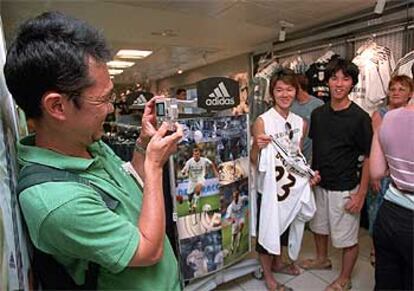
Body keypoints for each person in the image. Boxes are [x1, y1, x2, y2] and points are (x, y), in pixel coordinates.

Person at [4, 12, 183, 290]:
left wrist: (143, 146)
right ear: (57, 107)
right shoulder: (56, 202)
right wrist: (155, 166)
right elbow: (148, 251)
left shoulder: (86, 141)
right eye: (103, 99)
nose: (111, 108)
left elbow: (131, 186)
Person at [300, 58, 373, 291]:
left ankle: (345, 278)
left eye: (345, 78)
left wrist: (361, 194)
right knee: (319, 227)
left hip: (345, 187)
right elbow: (317, 148)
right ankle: (322, 259)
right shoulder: (319, 114)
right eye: (334, 78)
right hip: (320, 183)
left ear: (352, 83)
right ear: (327, 82)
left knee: (347, 239)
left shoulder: (361, 118)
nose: (339, 84)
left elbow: (369, 157)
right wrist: (310, 176)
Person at [251, 69, 320, 291]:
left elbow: (296, 157)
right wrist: (256, 146)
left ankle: (279, 262)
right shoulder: (262, 121)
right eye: (279, 89)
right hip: (269, 189)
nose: (284, 94)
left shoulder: (301, 122)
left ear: (296, 91)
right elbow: (254, 160)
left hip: (289, 189)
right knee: (268, 230)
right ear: (272, 93)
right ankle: (269, 277)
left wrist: (307, 176)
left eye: (289, 89)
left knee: (285, 226)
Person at [367, 74, 413, 265]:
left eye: (401, 89)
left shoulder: (394, 117)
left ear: (410, 92)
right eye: (392, 89)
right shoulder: (382, 114)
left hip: (394, 181)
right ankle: (375, 250)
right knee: (375, 212)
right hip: (389, 179)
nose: (395, 92)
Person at [290, 74, 324, 163]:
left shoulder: (318, 105)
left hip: (312, 152)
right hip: (294, 151)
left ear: (299, 87)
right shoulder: (289, 105)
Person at [181, 147, 219, 214]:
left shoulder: (204, 160)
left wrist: (215, 171)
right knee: (189, 196)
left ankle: (195, 205)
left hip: (200, 178)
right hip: (192, 180)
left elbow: (211, 163)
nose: (196, 155)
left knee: (198, 189)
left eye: (198, 154)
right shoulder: (189, 162)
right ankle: (190, 206)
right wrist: (183, 172)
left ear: (199, 154)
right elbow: (184, 170)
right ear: (193, 155)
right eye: (195, 154)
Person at [224, 189, 248, 254]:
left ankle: (238, 245)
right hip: (235, 220)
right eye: (235, 196)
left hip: (241, 218)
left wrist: (249, 209)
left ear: (239, 195)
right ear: (233, 197)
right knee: (234, 235)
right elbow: (227, 217)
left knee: (241, 228)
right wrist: (231, 220)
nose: (236, 197)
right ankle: (232, 247)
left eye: (237, 195)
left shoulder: (243, 198)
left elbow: (249, 199)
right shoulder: (230, 206)